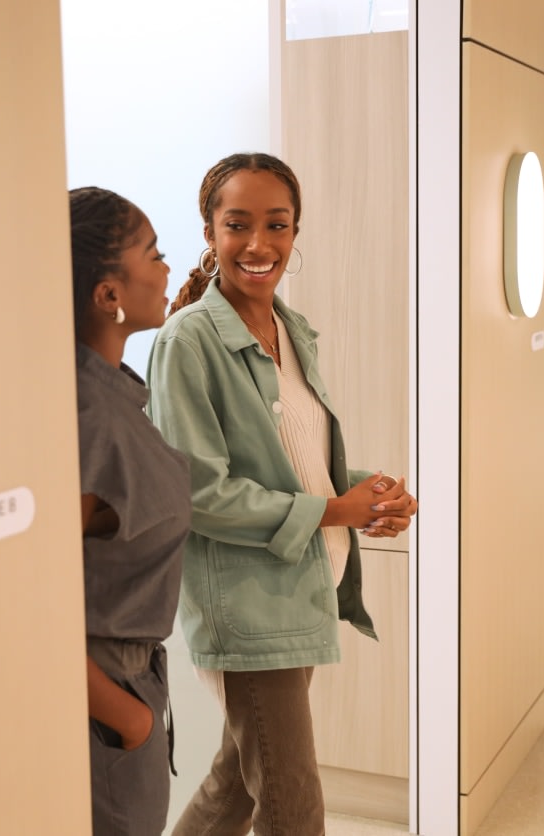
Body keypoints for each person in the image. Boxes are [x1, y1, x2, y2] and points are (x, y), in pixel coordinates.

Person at [145, 153, 418, 836]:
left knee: (237, 782)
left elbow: (293, 461)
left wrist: (368, 493)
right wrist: (335, 510)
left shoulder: (290, 331)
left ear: (297, 233)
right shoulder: (189, 342)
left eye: (278, 225)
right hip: (247, 607)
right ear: (209, 232)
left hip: (303, 588)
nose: (259, 244)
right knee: (294, 808)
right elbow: (199, 493)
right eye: (238, 224)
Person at [70, 186, 192, 836]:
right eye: (154, 254)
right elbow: (27, 595)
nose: (168, 267)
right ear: (108, 295)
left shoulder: (111, 390)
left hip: (133, 686)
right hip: (104, 704)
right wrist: (125, 715)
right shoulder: (87, 419)